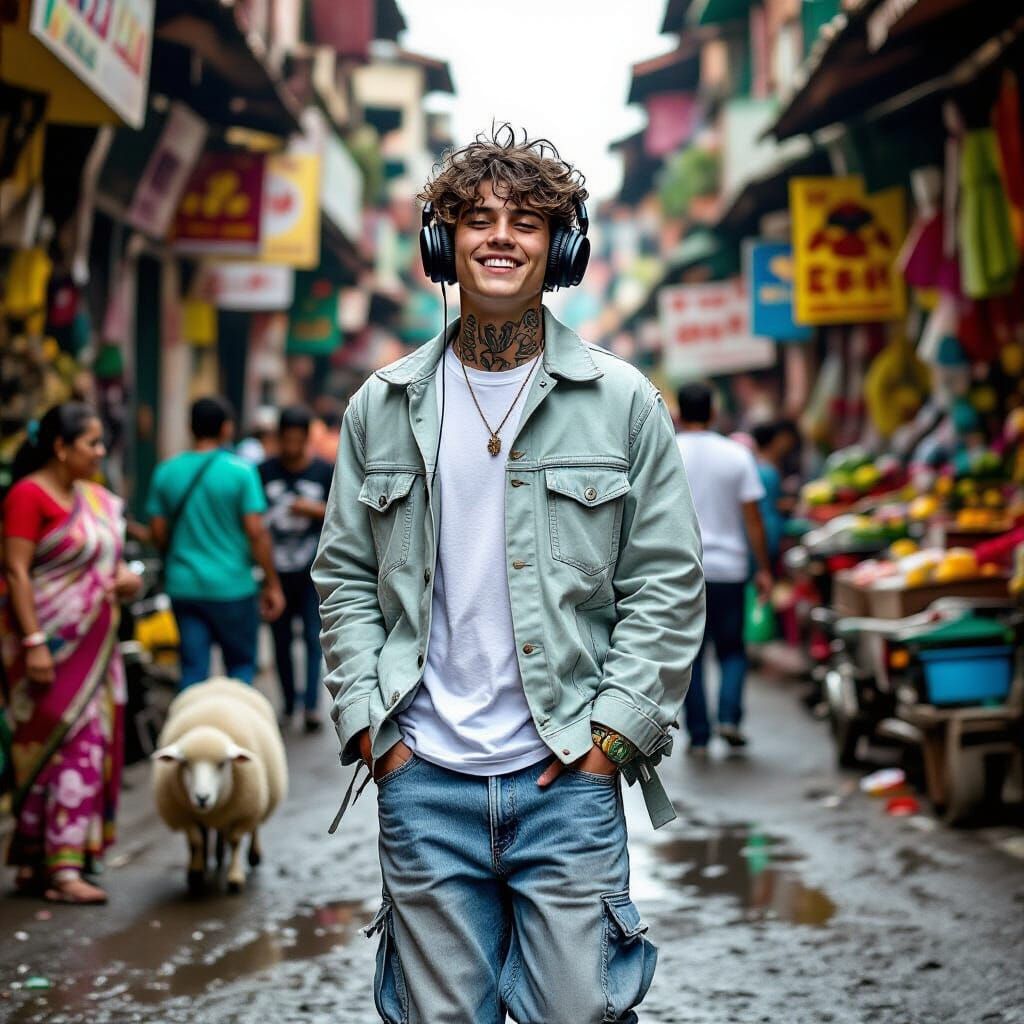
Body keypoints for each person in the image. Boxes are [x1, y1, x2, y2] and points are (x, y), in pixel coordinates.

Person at [313, 129, 705, 1024]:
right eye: (476, 219)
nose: (500, 237)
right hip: (426, 779)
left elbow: (667, 584)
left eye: (528, 222)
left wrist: (612, 736)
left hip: (566, 775)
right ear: (440, 242)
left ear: (561, 249)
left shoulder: (623, 402)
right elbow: (344, 577)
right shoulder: (381, 406)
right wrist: (377, 729)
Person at [2, 402, 141, 904]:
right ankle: (57, 870)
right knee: (45, 748)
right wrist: (35, 642)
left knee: (86, 745)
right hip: (41, 646)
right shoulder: (26, 496)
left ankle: (51, 863)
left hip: (95, 649)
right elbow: (16, 573)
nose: (101, 453)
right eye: (92, 444)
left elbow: (115, 564)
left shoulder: (99, 501)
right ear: (61, 448)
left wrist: (127, 582)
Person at [145, 397, 284, 689]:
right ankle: (234, 729)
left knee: (193, 670)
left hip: (184, 586)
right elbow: (256, 532)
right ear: (225, 428)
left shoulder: (166, 471)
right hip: (233, 587)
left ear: (190, 427)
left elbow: (157, 533)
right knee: (241, 668)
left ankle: (191, 729)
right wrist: (271, 583)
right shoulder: (241, 472)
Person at [676, 383, 773, 754]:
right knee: (732, 650)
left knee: (692, 654)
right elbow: (754, 520)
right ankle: (729, 719)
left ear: (681, 414)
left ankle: (699, 735)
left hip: (683, 571)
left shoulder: (668, 452)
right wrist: (762, 568)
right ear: (714, 412)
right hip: (731, 569)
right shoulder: (736, 455)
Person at [258, 406, 332, 731]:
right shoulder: (262, 471)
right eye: (285, 440)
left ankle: (312, 706)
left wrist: (313, 510)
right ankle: (289, 704)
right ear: (278, 438)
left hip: (312, 570)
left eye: (297, 441)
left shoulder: (324, 470)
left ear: (306, 439)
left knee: (315, 638)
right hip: (274, 571)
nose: (291, 447)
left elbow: (343, 512)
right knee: (281, 639)